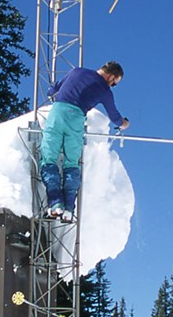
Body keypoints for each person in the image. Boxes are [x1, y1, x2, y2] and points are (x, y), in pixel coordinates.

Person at [40, 61, 130, 221]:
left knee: (48, 159)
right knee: (71, 163)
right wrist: (124, 124)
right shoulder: (104, 90)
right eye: (114, 83)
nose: (112, 85)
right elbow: (114, 116)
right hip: (76, 120)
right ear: (111, 76)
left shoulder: (76, 72)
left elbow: (53, 90)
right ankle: (68, 208)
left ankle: (55, 205)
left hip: (58, 113)